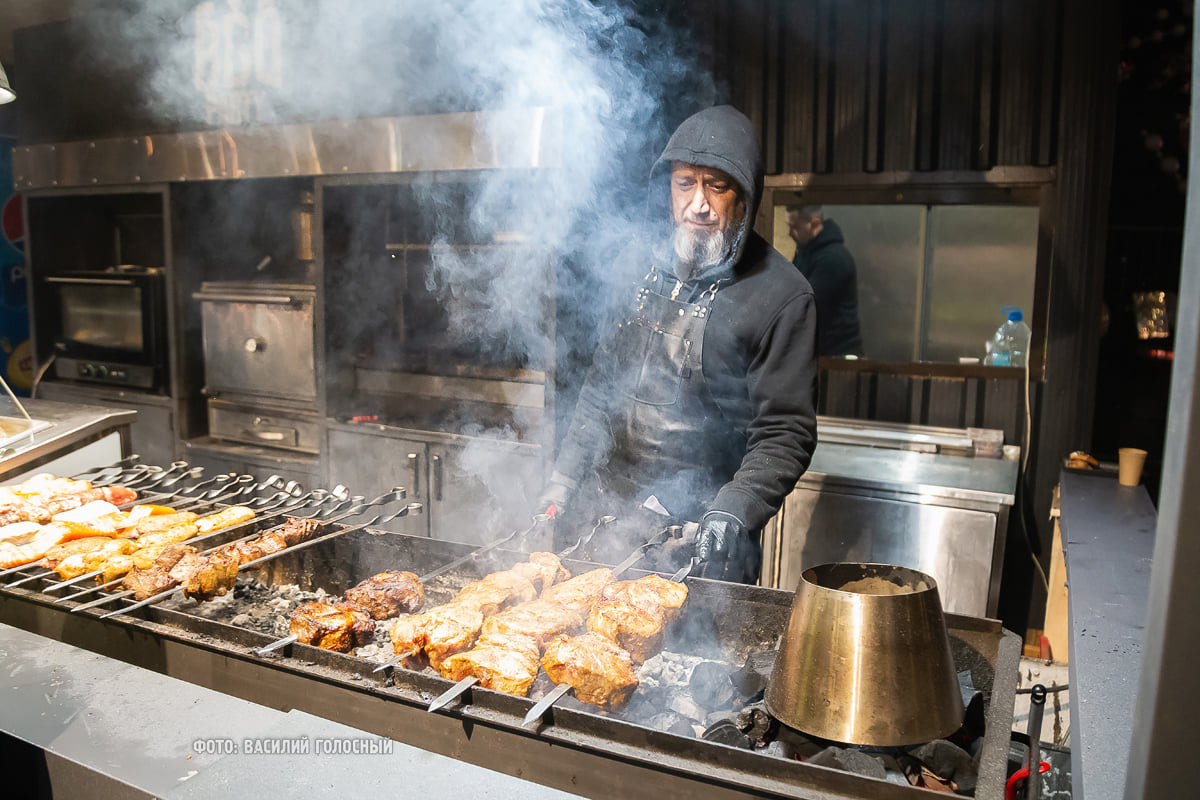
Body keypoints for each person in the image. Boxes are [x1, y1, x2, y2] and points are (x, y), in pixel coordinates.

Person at [538, 106, 818, 584]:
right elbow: (601, 387)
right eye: (685, 183)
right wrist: (563, 480)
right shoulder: (635, 267)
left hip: (703, 536)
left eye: (717, 185)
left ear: (745, 197)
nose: (699, 203)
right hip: (609, 520)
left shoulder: (782, 295)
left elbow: (785, 431)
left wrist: (734, 510)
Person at [786, 205, 864, 357]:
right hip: (821, 352)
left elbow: (804, 304)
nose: (789, 233)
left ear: (814, 224)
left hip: (837, 356)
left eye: (794, 227)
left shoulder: (833, 259)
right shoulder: (805, 254)